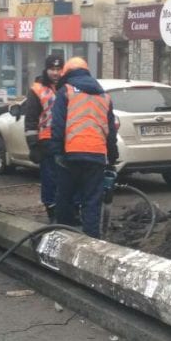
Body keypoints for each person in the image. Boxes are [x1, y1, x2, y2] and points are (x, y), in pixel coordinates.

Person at [49, 57, 118, 239]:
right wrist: (112, 156)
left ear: (67, 74)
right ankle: (92, 240)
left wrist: (56, 151)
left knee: (64, 196)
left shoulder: (66, 91)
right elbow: (110, 131)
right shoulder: (104, 96)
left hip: (70, 155)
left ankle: (61, 236)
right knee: (92, 200)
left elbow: (57, 124)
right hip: (96, 155)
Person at [24, 54, 64, 221]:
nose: (55, 73)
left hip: (65, 139)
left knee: (64, 178)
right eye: (52, 69)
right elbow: (31, 119)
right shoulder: (37, 89)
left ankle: (64, 211)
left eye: (58, 69)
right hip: (46, 140)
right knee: (49, 179)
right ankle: (52, 211)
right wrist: (33, 145)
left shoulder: (66, 87)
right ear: (46, 70)